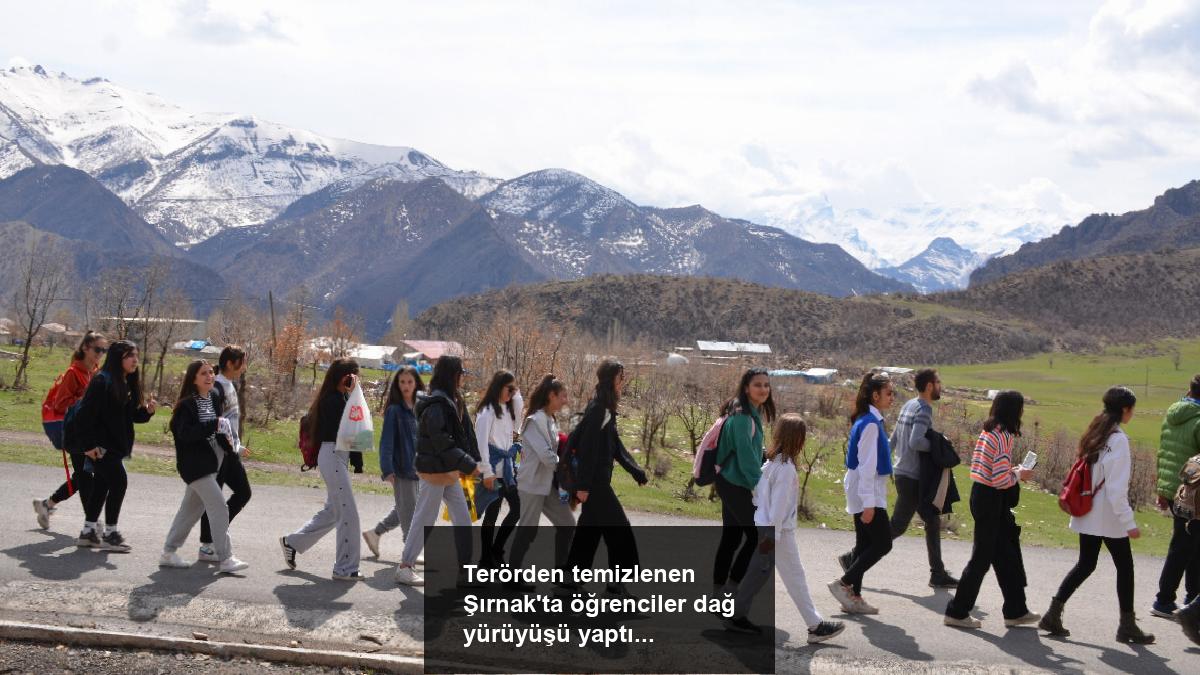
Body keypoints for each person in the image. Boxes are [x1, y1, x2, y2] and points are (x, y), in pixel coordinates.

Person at [1039, 386, 1153, 643]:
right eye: (1132, 409)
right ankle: (1127, 625)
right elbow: (1116, 489)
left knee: (1086, 564)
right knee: (1125, 567)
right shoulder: (1119, 439)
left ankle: (1053, 612)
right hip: (1108, 516)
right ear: (1125, 409)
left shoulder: (1096, 431)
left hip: (1087, 510)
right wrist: (1129, 522)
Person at [725, 414, 845, 643]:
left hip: (765, 526)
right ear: (798, 440)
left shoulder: (770, 463)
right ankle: (815, 626)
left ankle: (734, 613)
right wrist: (773, 535)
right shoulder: (786, 468)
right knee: (794, 577)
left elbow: (758, 496)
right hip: (776, 531)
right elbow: (779, 508)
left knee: (757, 574)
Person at [839, 368, 958, 588]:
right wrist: (939, 443)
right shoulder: (923, 409)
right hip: (912, 476)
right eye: (939, 382)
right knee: (894, 528)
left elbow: (892, 440)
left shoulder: (908, 405)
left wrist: (891, 460)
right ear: (930, 386)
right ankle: (853, 559)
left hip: (902, 471)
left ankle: (937, 572)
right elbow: (915, 442)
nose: (941, 386)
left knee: (931, 520)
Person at [944, 390, 1039, 629]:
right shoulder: (1002, 435)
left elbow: (994, 470)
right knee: (981, 559)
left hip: (984, 495)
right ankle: (957, 612)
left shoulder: (991, 431)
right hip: (990, 498)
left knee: (1006, 553)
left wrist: (1013, 471)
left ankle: (1016, 609)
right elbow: (999, 479)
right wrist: (1019, 474)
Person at [564, 359, 648, 597]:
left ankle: (570, 581)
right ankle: (614, 586)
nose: (623, 381)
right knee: (619, 530)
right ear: (612, 379)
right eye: (621, 377)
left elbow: (614, 445)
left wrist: (635, 470)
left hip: (596, 483)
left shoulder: (603, 407)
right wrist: (582, 486)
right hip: (596, 485)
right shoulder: (599, 408)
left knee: (589, 532)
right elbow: (588, 448)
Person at [395, 355, 480, 587]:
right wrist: (469, 464)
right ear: (452, 375)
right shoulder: (437, 405)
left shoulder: (452, 400)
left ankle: (465, 571)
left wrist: (473, 461)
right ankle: (405, 566)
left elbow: (465, 434)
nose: (462, 378)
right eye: (460, 374)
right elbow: (441, 441)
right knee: (425, 517)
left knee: (463, 517)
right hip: (434, 470)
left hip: (447, 470)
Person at [159, 360, 249, 574]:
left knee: (190, 510)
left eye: (210, 372)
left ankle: (168, 553)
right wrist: (214, 425)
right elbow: (185, 434)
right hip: (194, 465)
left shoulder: (213, 398)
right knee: (219, 507)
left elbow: (218, 431)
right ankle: (226, 558)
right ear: (193, 379)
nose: (209, 376)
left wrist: (232, 449)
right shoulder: (186, 405)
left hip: (211, 463)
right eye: (203, 374)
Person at [280, 358, 365, 581]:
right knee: (348, 514)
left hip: (338, 458)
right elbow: (351, 428)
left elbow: (356, 433)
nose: (356, 381)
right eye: (352, 376)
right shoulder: (333, 401)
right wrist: (355, 395)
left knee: (334, 511)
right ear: (342, 377)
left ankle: (293, 542)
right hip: (333, 456)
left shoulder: (341, 398)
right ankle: (345, 568)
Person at [74, 340, 157, 552]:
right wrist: (88, 445)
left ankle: (87, 532)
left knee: (102, 487)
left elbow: (128, 417)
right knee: (119, 483)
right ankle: (110, 534)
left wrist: (146, 411)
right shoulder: (102, 381)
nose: (135, 360)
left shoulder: (124, 382)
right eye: (130, 355)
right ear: (117, 358)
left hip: (114, 447)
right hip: (101, 447)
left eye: (136, 355)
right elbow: (84, 416)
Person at [828, 371, 896, 615]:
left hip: (863, 488)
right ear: (875, 395)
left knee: (864, 543)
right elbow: (867, 467)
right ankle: (844, 584)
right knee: (883, 543)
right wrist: (869, 503)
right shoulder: (870, 425)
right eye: (888, 393)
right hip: (867, 490)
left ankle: (853, 598)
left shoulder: (869, 419)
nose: (892, 398)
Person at [34, 331, 107, 530]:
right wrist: (86, 399)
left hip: (90, 433)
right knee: (85, 477)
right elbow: (60, 403)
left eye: (104, 349)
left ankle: (47, 504)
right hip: (75, 433)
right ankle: (92, 524)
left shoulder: (95, 372)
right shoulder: (73, 373)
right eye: (97, 349)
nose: (101, 353)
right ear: (85, 348)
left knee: (82, 477)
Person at [713, 368, 776, 597]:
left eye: (766, 385)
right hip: (734, 483)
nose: (763, 389)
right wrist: (761, 489)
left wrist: (766, 455)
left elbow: (749, 449)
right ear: (746, 387)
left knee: (732, 536)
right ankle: (731, 589)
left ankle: (719, 591)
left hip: (730, 480)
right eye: (758, 384)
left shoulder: (749, 412)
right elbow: (746, 459)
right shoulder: (742, 417)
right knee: (755, 537)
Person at [506, 374, 576, 580]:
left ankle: (562, 574)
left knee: (567, 524)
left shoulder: (550, 419)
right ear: (551, 395)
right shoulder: (535, 421)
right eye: (562, 396)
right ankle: (512, 575)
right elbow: (546, 456)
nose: (566, 400)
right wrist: (568, 468)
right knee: (528, 530)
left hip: (547, 484)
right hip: (532, 485)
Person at [1151, 374, 1200, 619]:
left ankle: (1191, 599)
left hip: (1174, 488)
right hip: (1193, 493)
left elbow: (1163, 452)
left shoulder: (1172, 413)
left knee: (1190, 544)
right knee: (1183, 545)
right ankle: (1164, 600)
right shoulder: (1199, 420)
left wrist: (1162, 489)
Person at [197, 346, 253, 563]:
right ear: (230, 363)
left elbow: (230, 421)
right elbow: (218, 423)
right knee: (214, 499)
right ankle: (208, 545)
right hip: (219, 451)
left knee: (243, 493)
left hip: (231, 450)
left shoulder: (229, 384)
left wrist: (237, 446)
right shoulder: (218, 386)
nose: (244, 367)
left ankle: (216, 537)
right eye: (242, 362)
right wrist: (233, 446)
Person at [363, 366, 424, 558]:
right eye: (402, 382)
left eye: (410, 382)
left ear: (416, 384)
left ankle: (375, 533)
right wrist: (387, 469)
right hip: (402, 469)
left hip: (421, 469)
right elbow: (386, 442)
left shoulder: (420, 408)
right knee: (411, 511)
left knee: (405, 507)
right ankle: (410, 552)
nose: (406, 386)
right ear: (397, 385)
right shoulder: (394, 411)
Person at [474, 370, 524, 568]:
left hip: (507, 471)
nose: (511, 393)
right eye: (508, 389)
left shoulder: (507, 409)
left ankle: (496, 550)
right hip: (493, 470)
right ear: (498, 387)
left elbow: (518, 424)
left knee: (518, 508)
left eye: (514, 390)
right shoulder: (487, 411)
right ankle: (486, 559)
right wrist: (487, 472)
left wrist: (515, 391)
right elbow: (481, 444)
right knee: (491, 515)